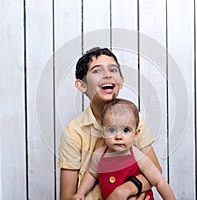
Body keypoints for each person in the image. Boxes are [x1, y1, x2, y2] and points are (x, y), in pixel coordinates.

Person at [58, 47, 162, 200]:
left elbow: (156, 171)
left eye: (113, 70)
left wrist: (126, 190)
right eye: (97, 71)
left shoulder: (133, 118)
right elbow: (66, 197)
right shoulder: (73, 133)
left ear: (121, 81)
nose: (107, 75)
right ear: (82, 85)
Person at [73, 98, 176, 200]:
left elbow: (159, 181)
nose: (118, 136)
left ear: (136, 134)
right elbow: (91, 175)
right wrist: (81, 192)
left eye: (126, 130)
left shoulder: (137, 156)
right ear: (103, 132)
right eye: (112, 130)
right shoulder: (99, 155)